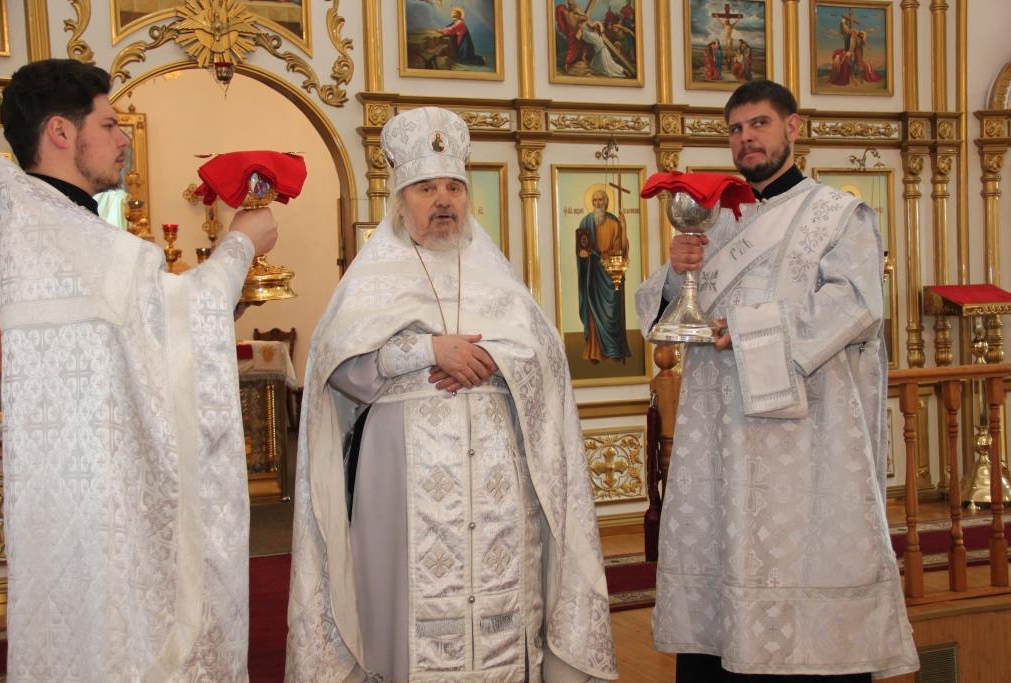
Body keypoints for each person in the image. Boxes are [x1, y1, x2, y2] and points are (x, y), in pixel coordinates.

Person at [285, 107, 617, 682]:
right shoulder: (373, 275)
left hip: (498, 484)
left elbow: (544, 358)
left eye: (453, 188)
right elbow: (337, 365)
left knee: (502, 596)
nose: (443, 200)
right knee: (403, 607)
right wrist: (426, 350)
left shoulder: (495, 273)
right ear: (400, 201)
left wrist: (492, 361)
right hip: (400, 480)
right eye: (426, 188)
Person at [0, 59, 279, 680]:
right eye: (110, 124)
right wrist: (242, 243)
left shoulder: (37, 222)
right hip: (99, 499)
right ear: (61, 132)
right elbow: (183, 311)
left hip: (69, 493)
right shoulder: (61, 229)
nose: (124, 139)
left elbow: (146, 338)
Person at [636, 80, 919, 682]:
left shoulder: (838, 214)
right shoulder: (718, 220)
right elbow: (666, 313)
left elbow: (857, 303)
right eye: (736, 130)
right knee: (727, 549)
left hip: (807, 436)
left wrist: (748, 330)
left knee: (798, 554)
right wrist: (676, 274)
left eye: (759, 124)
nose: (747, 139)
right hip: (721, 433)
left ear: (792, 127)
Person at [576, 189, 630, 363]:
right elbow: (581, 249)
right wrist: (583, 256)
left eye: (600, 200)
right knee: (593, 312)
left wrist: (624, 228)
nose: (598, 203)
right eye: (595, 200)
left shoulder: (614, 222)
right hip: (592, 273)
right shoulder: (585, 222)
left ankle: (614, 351)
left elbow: (621, 250)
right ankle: (595, 352)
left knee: (612, 311)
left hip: (610, 272)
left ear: (606, 202)